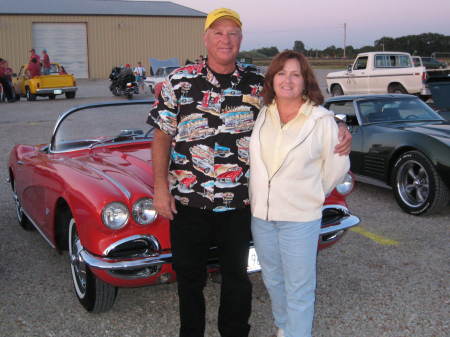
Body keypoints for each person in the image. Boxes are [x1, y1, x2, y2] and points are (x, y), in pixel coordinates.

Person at [147, 8, 352, 337]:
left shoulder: (259, 85)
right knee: (188, 279)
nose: (225, 39)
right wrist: (159, 187)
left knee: (237, 278)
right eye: (218, 32)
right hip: (188, 202)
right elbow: (161, 136)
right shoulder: (178, 82)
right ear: (205, 38)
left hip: (240, 205)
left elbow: (300, 105)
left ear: (241, 40)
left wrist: (338, 124)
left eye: (232, 33)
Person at [249, 50, 350, 337]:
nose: (288, 80)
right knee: (272, 279)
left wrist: (313, 193)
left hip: (299, 218)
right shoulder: (263, 113)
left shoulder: (321, 121)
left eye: (295, 74)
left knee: (299, 287)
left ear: (306, 81)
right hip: (263, 217)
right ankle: (285, 327)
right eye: (281, 73)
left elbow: (338, 166)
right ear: (273, 79)